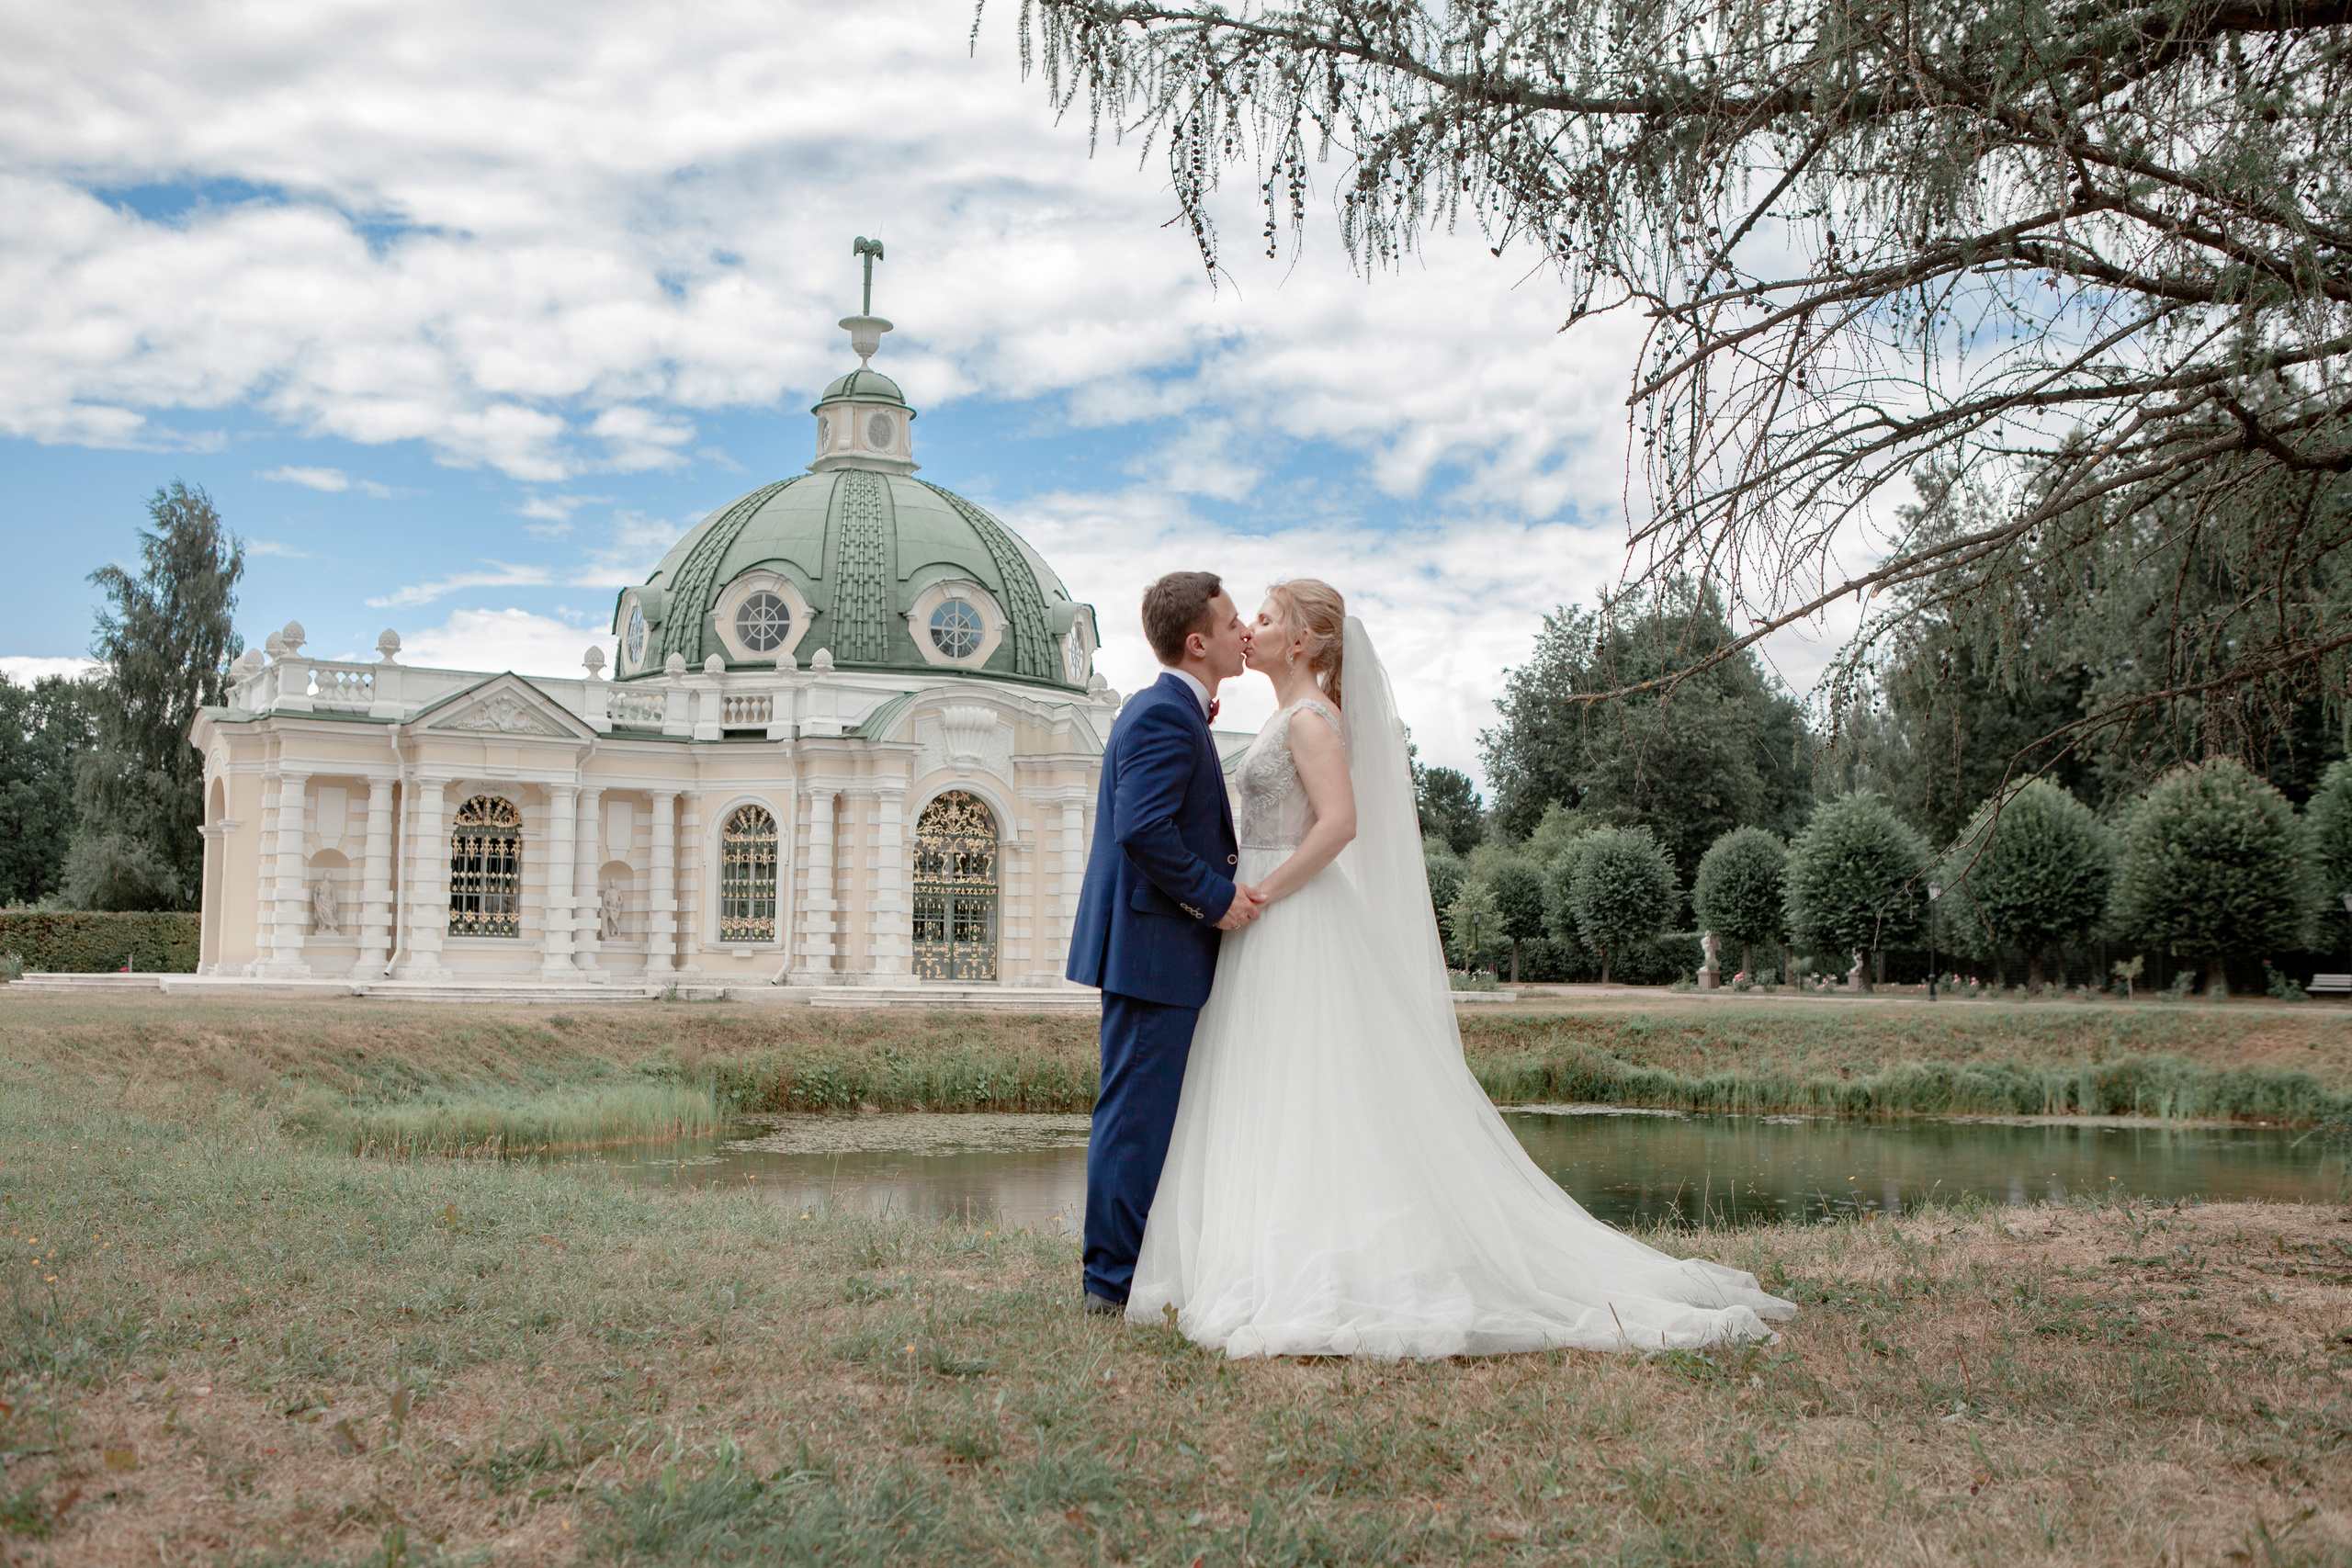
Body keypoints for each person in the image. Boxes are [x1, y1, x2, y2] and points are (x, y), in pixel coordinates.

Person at [1126, 579, 1796, 1357]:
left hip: (1293, 913)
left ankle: (1319, 1264)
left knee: (1312, 1084)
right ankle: (1259, 1248)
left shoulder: (1310, 719)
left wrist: (1263, 890)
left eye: (1267, 619)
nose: (1251, 629)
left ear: (1303, 642)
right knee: (1270, 1083)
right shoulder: (1284, 714)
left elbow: (1341, 823)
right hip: (1266, 920)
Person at [1067, 571, 1264, 1316]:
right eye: (1233, 618)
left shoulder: (1174, 711)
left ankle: (1135, 1270)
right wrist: (1216, 899)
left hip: (1159, 949)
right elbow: (1142, 828)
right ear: (1197, 640)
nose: (1243, 629)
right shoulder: (1161, 714)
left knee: (1147, 1113)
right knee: (1135, 1116)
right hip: (1156, 950)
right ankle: (1108, 1285)